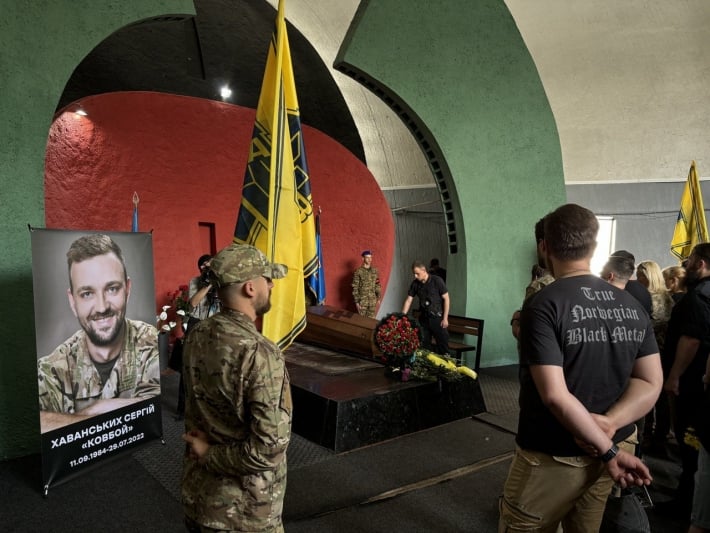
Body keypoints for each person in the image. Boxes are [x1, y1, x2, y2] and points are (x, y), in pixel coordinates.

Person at [499, 204, 663, 533]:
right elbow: (650, 381)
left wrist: (607, 450)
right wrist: (609, 425)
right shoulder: (631, 304)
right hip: (617, 440)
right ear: (594, 246)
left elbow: (555, 396)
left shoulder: (543, 304)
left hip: (555, 453)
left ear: (544, 246)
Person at [181, 243, 291, 532]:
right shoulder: (259, 352)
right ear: (250, 288)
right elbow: (268, 449)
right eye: (267, 279)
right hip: (244, 515)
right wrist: (209, 454)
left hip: (199, 498)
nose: (271, 285)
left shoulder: (197, 334)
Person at [37, 234, 160, 433]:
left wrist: (81, 417)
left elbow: (154, 408)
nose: (102, 307)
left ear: (127, 289)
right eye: (87, 294)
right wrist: (95, 413)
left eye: (112, 289)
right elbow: (38, 424)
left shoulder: (150, 341)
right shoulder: (51, 369)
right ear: (72, 301)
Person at [661, 243, 710, 517]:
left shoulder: (697, 298)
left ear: (701, 263)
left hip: (690, 382)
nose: (685, 265)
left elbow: (691, 339)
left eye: (689, 260)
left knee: (689, 441)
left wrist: (674, 376)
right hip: (703, 380)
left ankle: (687, 503)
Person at [174, 254, 221, 418]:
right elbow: (193, 303)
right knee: (188, 364)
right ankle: (182, 409)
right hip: (196, 323)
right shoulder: (195, 281)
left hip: (214, 325)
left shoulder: (221, 281)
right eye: (204, 266)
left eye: (210, 265)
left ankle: (208, 406)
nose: (207, 268)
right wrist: (208, 284)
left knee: (212, 365)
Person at [402, 260, 450, 355]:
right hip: (424, 319)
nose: (415, 276)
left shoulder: (437, 281)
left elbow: (447, 299)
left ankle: (447, 364)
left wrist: (445, 318)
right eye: (414, 274)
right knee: (424, 348)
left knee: (443, 347)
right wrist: (402, 316)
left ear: (424, 271)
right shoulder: (415, 284)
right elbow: (408, 300)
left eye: (417, 273)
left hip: (438, 319)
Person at [352, 250, 381, 318]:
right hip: (362, 301)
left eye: (370, 257)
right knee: (361, 321)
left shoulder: (375, 271)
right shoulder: (358, 271)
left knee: (371, 321)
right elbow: (355, 287)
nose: (369, 259)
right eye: (367, 257)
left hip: (372, 301)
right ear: (363, 258)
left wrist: (378, 297)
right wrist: (357, 302)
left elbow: (377, 284)